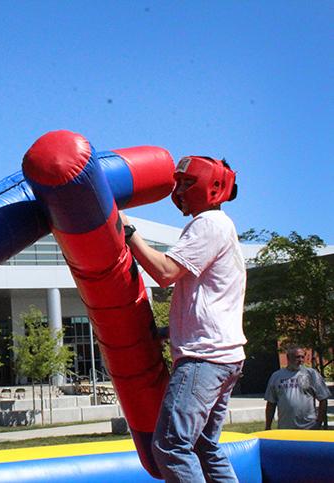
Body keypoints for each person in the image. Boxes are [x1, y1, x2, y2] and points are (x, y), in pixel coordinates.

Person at [121, 155, 246, 482]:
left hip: (205, 358)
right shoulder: (223, 227)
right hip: (224, 356)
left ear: (213, 186)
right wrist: (167, 331)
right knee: (205, 445)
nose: (179, 191)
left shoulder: (209, 224)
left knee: (171, 446)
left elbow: (165, 273)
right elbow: (206, 301)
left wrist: (129, 232)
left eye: (188, 183)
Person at [264, 346, 329, 430]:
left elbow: (323, 399)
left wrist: (319, 423)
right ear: (288, 358)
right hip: (286, 428)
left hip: (309, 427)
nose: (301, 360)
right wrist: (268, 426)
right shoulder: (276, 376)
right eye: (297, 357)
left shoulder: (312, 374)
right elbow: (271, 403)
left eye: (303, 357)